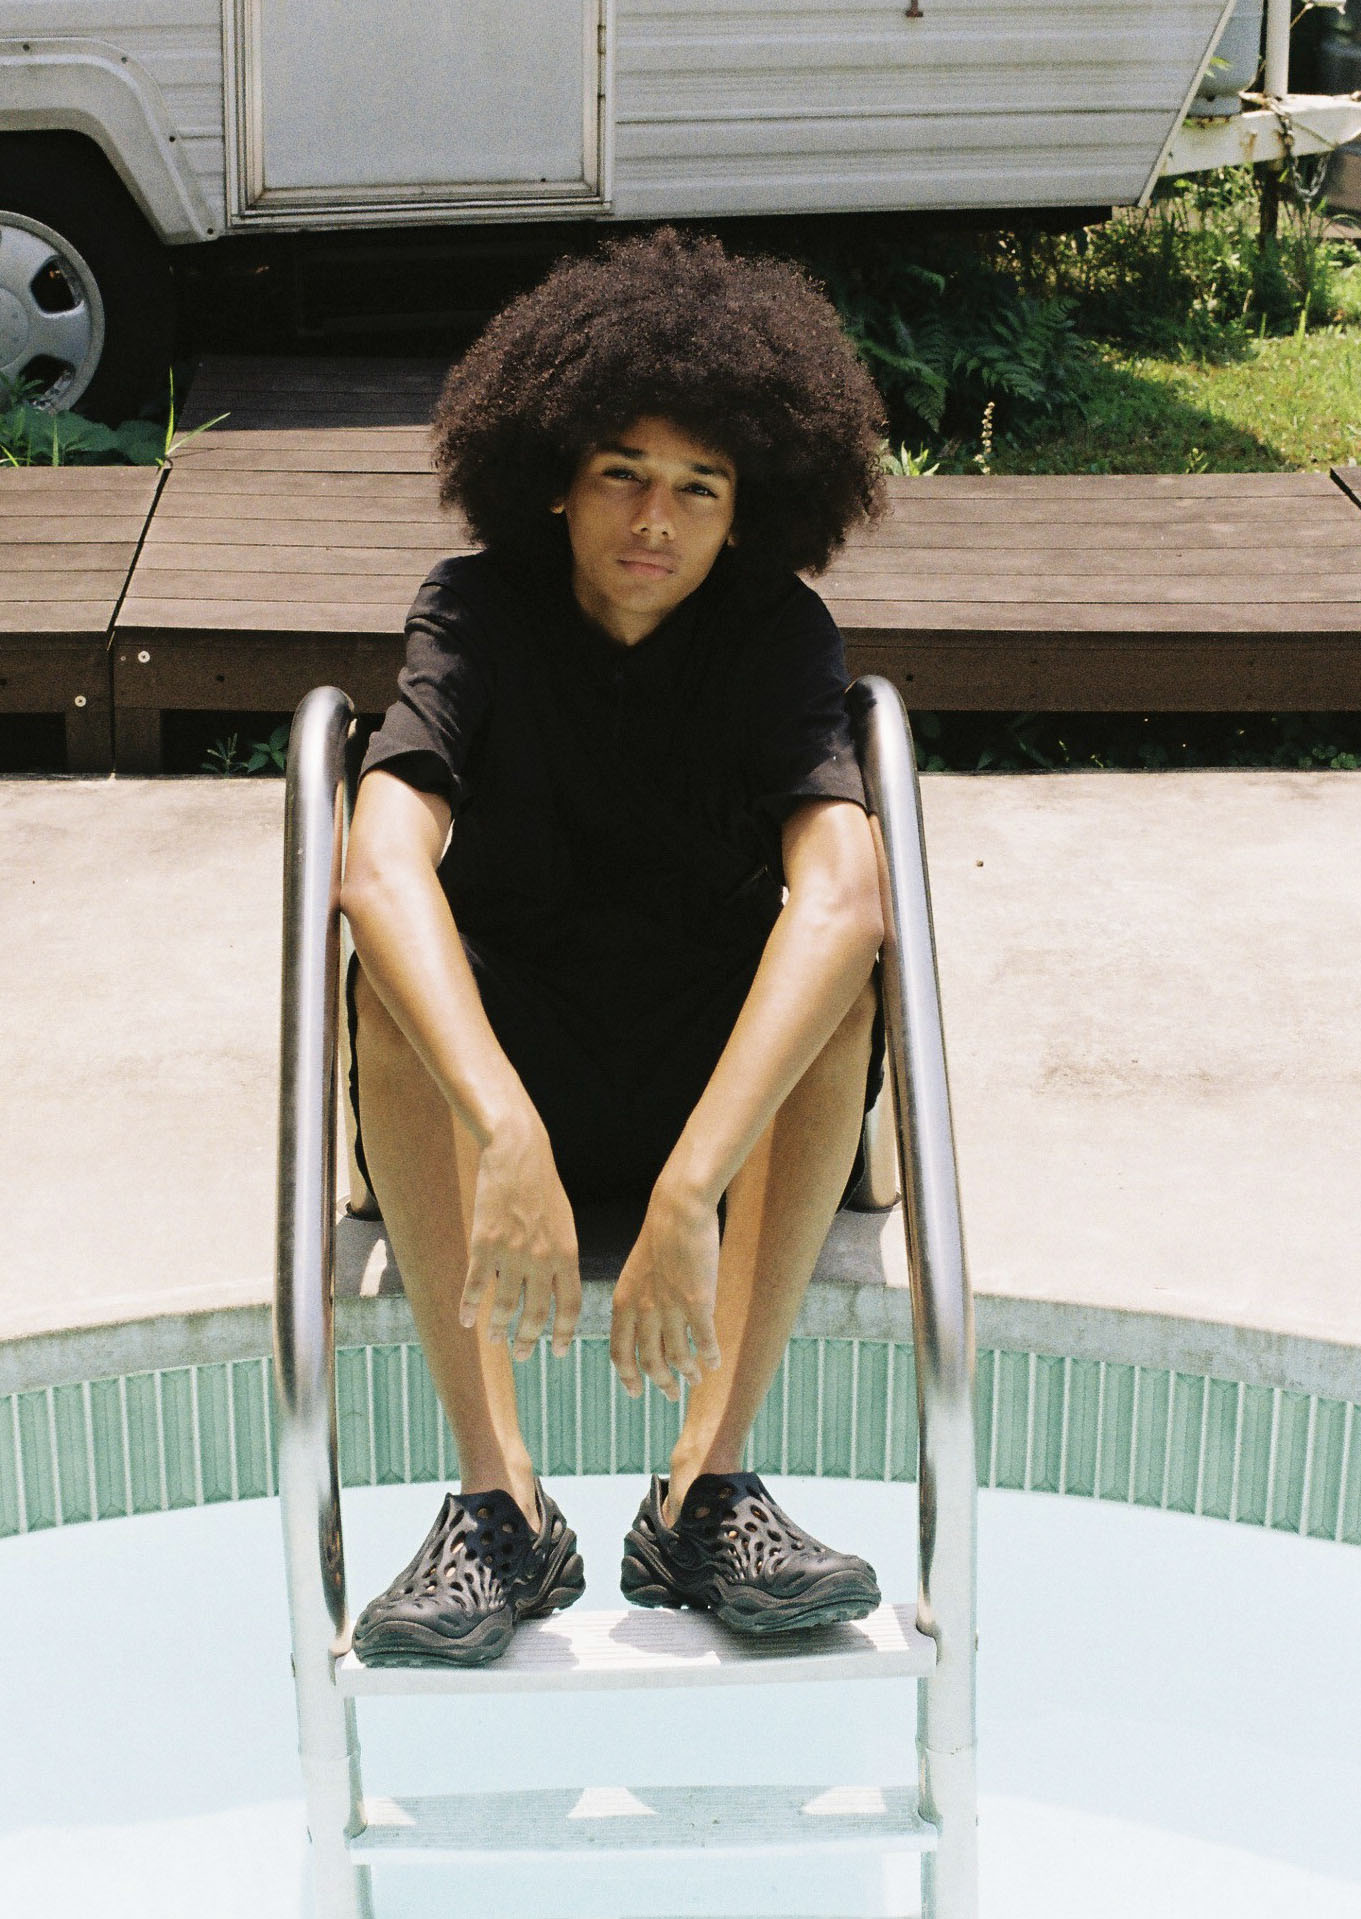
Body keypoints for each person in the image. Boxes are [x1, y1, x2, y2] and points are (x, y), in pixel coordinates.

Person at [340, 227, 888, 1667]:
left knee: (840, 992)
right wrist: (503, 1125)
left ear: (747, 509)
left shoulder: (777, 635)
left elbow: (844, 899)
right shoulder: (476, 612)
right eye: (621, 474)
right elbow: (378, 862)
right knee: (386, 990)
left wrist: (693, 1187)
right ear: (555, 480)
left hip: (706, 1103)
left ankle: (708, 1492)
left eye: (699, 487)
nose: (656, 520)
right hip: (510, 1089)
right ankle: (499, 1507)